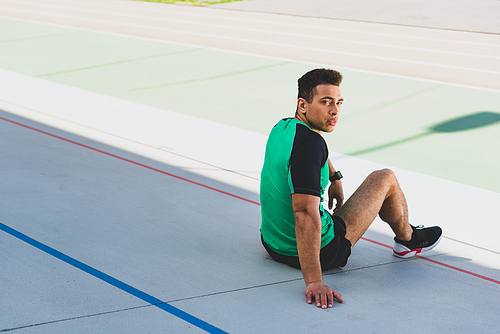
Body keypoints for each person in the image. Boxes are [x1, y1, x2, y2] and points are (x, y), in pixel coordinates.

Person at [259, 68, 442, 309]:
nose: (334, 110)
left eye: (338, 103)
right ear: (303, 105)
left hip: (273, 244)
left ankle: (406, 236)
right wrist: (314, 281)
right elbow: (303, 213)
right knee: (385, 178)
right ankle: (407, 239)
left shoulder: (283, 128)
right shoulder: (312, 145)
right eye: (325, 102)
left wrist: (334, 176)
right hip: (320, 251)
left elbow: (309, 151)